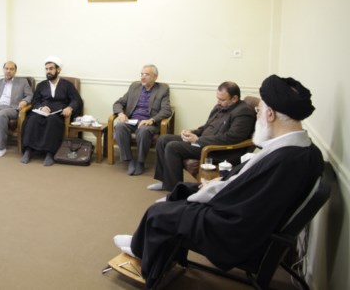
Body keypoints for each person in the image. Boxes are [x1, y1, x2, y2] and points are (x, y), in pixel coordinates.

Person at [112, 75, 323, 288]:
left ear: (270, 114)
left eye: (259, 110)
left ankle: (140, 250)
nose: (257, 114)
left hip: (232, 230)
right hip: (239, 212)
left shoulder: (286, 160)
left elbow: (247, 203)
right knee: (181, 190)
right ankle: (143, 243)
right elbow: (252, 188)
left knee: (158, 212)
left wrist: (213, 190)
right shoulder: (302, 150)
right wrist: (217, 184)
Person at [148, 81, 255, 192]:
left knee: (173, 147)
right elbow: (206, 127)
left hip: (217, 150)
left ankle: (175, 190)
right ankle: (164, 181)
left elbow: (231, 137)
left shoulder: (244, 112)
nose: (218, 102)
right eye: (218, 98)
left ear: (234, 98)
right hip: (202, 142)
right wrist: (191, 132)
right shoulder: (219, 106)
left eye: (222, 100)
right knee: (163, 139)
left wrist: (198, 140)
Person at [20, 56, 82, 166]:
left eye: (51, 68)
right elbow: (35, 101)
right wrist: (41, 108)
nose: (48, 71)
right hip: (42, 112)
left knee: (52, 121)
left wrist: (69, 108)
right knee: (32, 119)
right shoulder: (41, 85)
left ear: (58, 69)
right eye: (46, 69)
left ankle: (50, 153)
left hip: (58, 114)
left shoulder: (67, 85)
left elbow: (76, 100)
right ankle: (28, 150)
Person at [112, 65, 172, 175]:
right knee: (119, 126)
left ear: (155, 77)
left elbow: (167, 110)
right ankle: (129, 160)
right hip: (132, 121)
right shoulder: (134, 86)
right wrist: (121, 113)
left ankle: (140, 162)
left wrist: (152, 120)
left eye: (147, 74)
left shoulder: (163, 89)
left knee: (143, 130)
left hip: (149, 123)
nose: (143, 77)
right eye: (142, 74)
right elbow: (118, 103)